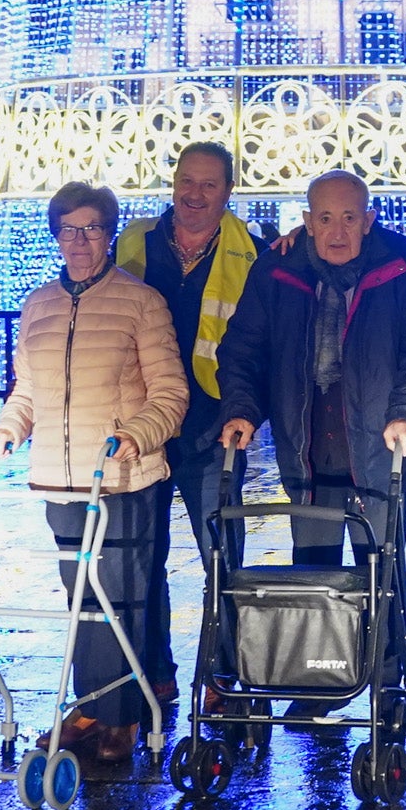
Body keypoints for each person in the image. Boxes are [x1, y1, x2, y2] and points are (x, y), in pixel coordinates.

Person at [0, 181, 190, 764]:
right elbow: (27, 391)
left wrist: (137, 434)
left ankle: (119, 717)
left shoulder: (140, 301)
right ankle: (93, 705)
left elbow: (171, 392)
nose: (80, 241)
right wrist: (8, 429)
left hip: (125, 475)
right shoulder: (38, 303)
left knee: (121, 595)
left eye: (93, 228)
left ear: (109, 234)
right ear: (56, 235)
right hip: (60, 477)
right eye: (69, 229)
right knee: (82, 598)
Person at [216, 169, 406, 584]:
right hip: (308, 456)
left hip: (381, 452)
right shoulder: (277, 268)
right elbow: (243, 349)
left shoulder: (404, 263)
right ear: (307, 222)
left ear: (369, 219)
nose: (337, 231)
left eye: (349, 218)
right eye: (324, 219)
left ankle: (385, 652)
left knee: (382, 585)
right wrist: (242, 410)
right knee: (311, 581)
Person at [115, 143, 256, 722]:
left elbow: (258, 341)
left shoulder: (253, 252)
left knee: (220, 555)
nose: (194, 195)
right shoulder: (134, 243)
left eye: (209, 185)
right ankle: (154, 673)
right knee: (140, 558)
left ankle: (225, 672)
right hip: (145, 423)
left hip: (212, 428)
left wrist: (245, 411)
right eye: (186, 182)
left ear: (228, 191)